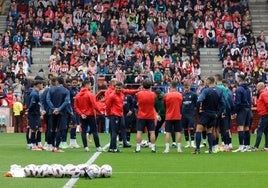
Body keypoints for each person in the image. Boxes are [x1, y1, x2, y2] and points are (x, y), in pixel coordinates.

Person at [192, 77, 225, 154]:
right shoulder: (219, 91)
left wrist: (198, 112)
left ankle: (197, 149)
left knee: (198, 130)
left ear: (208, 82)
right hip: (214, 114)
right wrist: (218, 114)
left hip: (205, 112)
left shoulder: (206, 90)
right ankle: (210, 149)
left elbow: (199, 101)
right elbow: (223, 104)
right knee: (210, 131)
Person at [106, 82, 137, 153]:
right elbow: (108, 106)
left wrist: (138, 90)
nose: (118, 89)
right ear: (115, 87)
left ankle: (112, 147)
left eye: (120, 88)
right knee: (114, 132)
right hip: (114, 115)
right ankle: (114, 148)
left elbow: (129, 91)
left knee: (117, 130)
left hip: (120, 115)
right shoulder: (112, 95)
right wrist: (108, 115)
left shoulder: (122, 94)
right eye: (117, 88)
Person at [74, 79, 104, 152]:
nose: (90, 86)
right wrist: (100, 111)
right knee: (94, 131)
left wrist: (81, 114)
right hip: (90, 115)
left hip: (82, 115)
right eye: (90, 85)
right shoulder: (89, 94)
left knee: (83, 131)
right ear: (87, 85)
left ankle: (86, 147)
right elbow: (94, 105)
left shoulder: (77, 95)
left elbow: (75, 107)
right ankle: (98, 146)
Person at [46, 77, 70, 153]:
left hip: (52, 112)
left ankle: (52, 146)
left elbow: (48, 99)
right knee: (60, 129)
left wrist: (53, 108)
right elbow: (66, 101)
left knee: (52, 129)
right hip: (62, 112)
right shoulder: (66, 90)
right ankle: (57, 147)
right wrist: (59, 109)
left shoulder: (51, 89)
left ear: (57, 82)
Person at [134, 79, 157, 153]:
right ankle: (153, 148)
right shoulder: (153, 94)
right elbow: (154, 103)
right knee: (152, 132)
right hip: (150, 115)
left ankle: (138, 148)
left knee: (139, 132)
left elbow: (136, 103)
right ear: (150, 86)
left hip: (141, 115)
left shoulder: (138, 94)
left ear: (143, 85)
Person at [232, 74, 252, 152]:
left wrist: (234, 112)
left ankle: (241, 146)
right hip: (248, 109)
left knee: (240, 127)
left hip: (242, 109)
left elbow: (238, 102)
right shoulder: (248, 88)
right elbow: (250, 100)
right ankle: (247, 146)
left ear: (239, 79)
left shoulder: (239, 89)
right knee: (246, 127)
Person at [163, 81, 183, 153]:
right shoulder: (180, 95)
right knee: (178, 132)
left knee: (168, 132)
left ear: (170, 86)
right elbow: (180, 104)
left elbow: (164, 105)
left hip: (169, 116)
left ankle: (167, 148)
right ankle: (179, 148)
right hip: (177, 115)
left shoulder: (166, 95)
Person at [26, 80, 44, 151]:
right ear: (38, 85)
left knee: (38, 128)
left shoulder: (36, 93)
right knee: (33, 129)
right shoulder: (34, 93)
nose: (42, 86)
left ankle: (37, 144)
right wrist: (28, 110)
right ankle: (33, 146)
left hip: (36, 113)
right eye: (42, 84)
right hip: (33, 114)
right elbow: (32, 104)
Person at [252, 82, 268, 151]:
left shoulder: (263, 94)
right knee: (266, 131)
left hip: (264, 114)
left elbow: (267, 103)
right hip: (265, 114)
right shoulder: (264, 93)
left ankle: (256, 146)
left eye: (257, 87)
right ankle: (266, 146)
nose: (256, 88)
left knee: (260, 130)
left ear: (260, 87)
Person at [182, 82, 197, 148]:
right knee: (185, 128)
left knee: (191, 128)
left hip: (191, 113)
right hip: (184, 114)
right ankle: (187, 143)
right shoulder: (182, 94)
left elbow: (196, 104)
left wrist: (194, 111)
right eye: (185, 87)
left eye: (187, 87)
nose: (186, 89)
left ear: (189, 87)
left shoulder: (193, 94)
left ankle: (192, 143)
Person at [68, 77, 81, 148]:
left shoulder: (78, 90)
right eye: (73, 83)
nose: (74, 84)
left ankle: (73, 141)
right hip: (72, 110)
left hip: (77, 110)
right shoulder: (70, 91)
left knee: (75, 125)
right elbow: (69, 101)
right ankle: (71, 142)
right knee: (72, 125)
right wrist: (70, 110)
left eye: (75, 83)